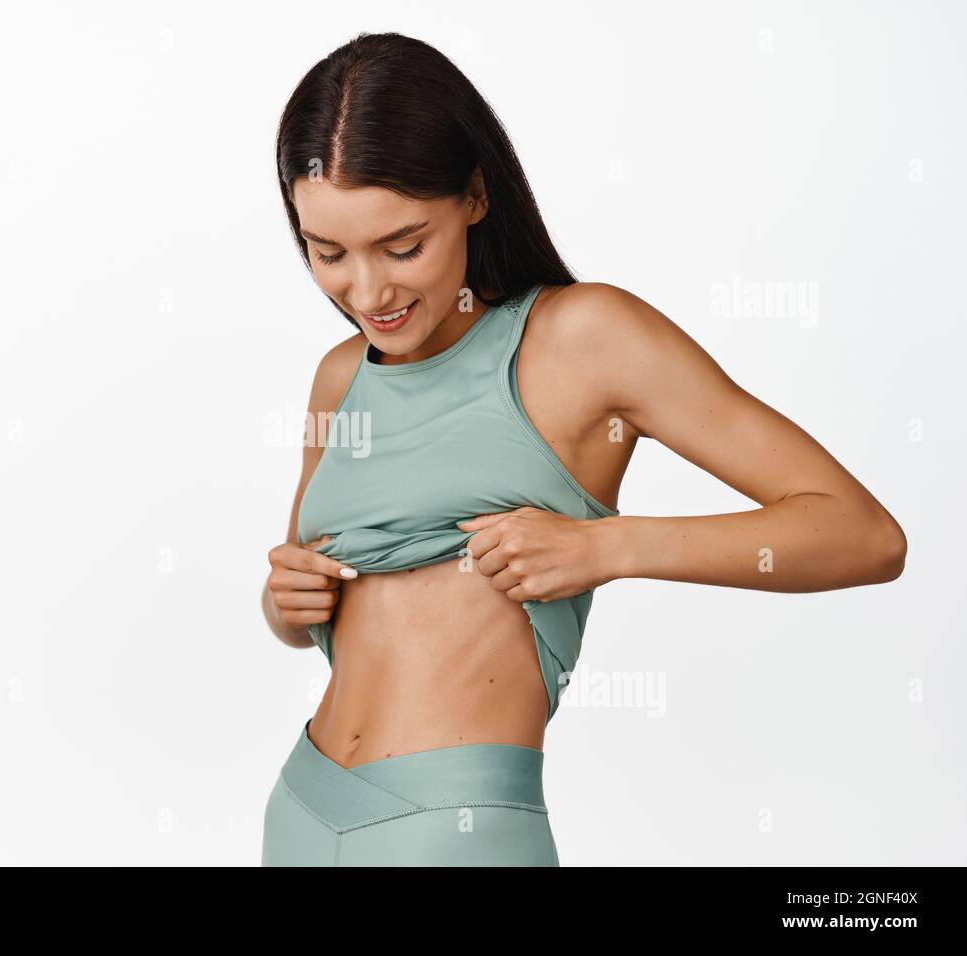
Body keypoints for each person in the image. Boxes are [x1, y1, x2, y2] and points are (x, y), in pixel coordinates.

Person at [259, 32, 906, 866]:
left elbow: (864, 534)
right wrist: (282, 601)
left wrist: (608, 546)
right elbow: (302, 612)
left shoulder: (583, 337)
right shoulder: (340, 379)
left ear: (476, 197)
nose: (368, 291)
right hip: (300, 810)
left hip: (456, 827)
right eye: (328, 254)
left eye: (403, 245)